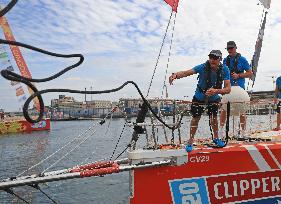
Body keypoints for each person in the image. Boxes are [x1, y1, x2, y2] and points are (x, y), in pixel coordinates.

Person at [169, 50, 231, 152]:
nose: (212, 60)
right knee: (195, 118)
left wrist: (216, 91)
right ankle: (190, 141)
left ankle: (216, 138)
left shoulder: (225, 69)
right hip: (199, 96)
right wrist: (175, 75)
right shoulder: (202, 67)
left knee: (214, 118)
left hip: (214, 97)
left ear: (220, 59)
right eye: (210, 57)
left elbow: (228, 89)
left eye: (215, 58)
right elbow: (186, 72)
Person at [220, 41, 253, 137]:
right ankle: (221, 132)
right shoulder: (225, 60)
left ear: (235, 48)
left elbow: (250, 73)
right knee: (224, 109)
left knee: (242, 110)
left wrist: (238, 75)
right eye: (228, 49)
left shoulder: (242, 59)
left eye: (231, 48)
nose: (230, 50)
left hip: (240, 89)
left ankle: (243, 132)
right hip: (228, 88)